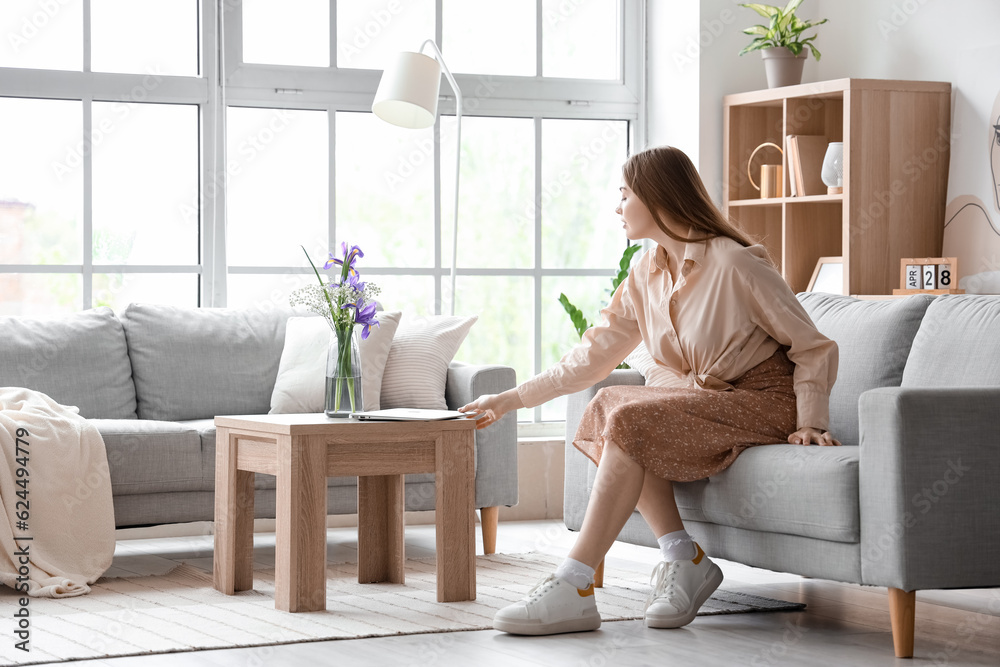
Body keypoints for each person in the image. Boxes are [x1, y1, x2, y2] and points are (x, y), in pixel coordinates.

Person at [459, 146, 840, 636]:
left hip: (765, 401)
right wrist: (510, 399)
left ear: (659, 200)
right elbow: (590, 357)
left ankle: (574, 582)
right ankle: (683, 556)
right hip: (709, 402)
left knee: (631, 418)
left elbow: (813, 346)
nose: (616, 208)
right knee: (607, 404)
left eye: (624, 196)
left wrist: (812, 422)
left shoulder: (736, 264)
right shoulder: (645, 274)